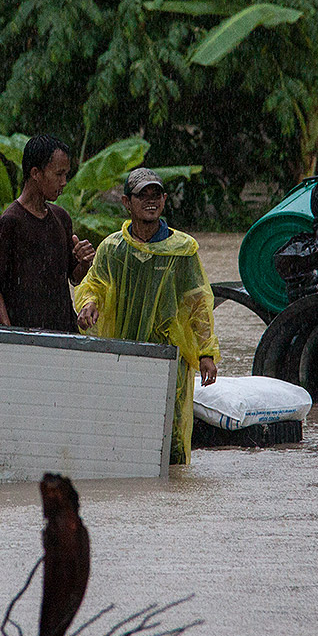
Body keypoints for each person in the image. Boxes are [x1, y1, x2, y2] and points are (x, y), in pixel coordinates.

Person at [74, 167, 219, 464]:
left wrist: (206, 353)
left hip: (171, 355)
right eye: (143, 195)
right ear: (127, 203)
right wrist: (88, 304)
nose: (150, 201)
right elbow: (95, 286)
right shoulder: (113, 248)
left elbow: (198, 303)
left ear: (165, 200)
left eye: (156, 195)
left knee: (172, 431)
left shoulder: (183, 250)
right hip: (124, 350)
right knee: (123, 423)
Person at [0, 135, 95, 332]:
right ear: (36, 173)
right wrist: (8, 331)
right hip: (25, 334)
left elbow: (74, 278)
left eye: (66, 175)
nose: (64, 182)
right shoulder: (10, 222)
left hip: (63, 330)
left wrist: (84, 261)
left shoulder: (61, 218)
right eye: (59, 174)